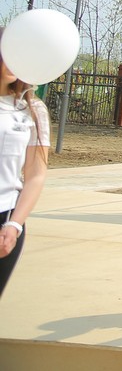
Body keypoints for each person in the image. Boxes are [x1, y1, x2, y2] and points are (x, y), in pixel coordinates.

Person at [0, 33, 49, 298]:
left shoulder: (32, 109)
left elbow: (35, 174)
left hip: (6, 216)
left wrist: (15, 225)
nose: (11, 63)